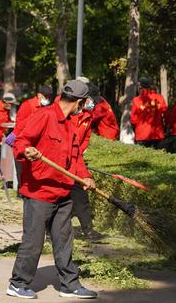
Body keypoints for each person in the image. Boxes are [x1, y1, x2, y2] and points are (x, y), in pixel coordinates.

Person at [6, 80, 98, 300]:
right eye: (84, 103)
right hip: (40, 192)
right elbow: (21, 141)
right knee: (34, 241)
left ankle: (70, 284)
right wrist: (26, 151)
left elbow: (74, 157)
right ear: (80, 101)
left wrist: (85, 176)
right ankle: (18, 283)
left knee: (64, 239)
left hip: (63, 192)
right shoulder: (45, 116)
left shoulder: (70, 124)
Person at [70, 83, 107, 241]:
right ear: (83, 98)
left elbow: (85, 138)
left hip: (75, 161)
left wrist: (80, 152)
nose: (94, 104)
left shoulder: (87, 115)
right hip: (59, 163)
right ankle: (49, 231)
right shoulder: (67, 113)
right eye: (92, 100)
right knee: (57, 199)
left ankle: (88, 230)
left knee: (81, 196)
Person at [130, 77, 168, 147]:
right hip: (158, 135)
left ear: (140, 87)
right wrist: (165, 128)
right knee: (159, 157)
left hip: (142, 136)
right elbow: (166, 114)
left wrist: (135, 131)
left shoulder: (136, 100)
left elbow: (133, 120)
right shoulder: (160, 98)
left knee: (142, 157)